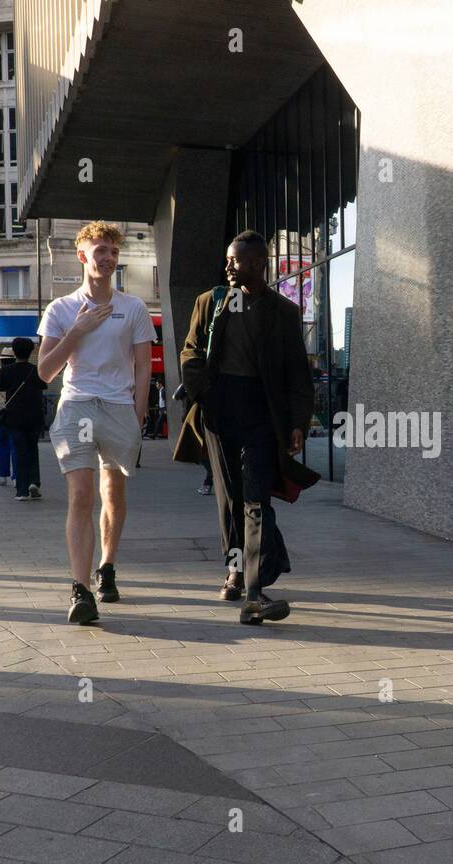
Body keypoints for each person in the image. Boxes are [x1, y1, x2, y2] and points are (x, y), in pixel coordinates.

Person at [175, 230, 318, 625]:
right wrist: (204, 393)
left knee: (256, 499)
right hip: (220, 411)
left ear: (259, 264)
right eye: (227, 260)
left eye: (235, 261)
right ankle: (235, 570)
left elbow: (296, 376)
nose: (228, 267)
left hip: (262, 413)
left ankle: (254, 591)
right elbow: (189, 351)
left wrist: (297, 424)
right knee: (229, 500)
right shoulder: (211, 302)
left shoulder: (284, 313)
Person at [37, 221, 155, 624]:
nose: (107, 258)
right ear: (82, 256)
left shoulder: (133, 307)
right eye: (100, 250)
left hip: (119, 408)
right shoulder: (61, 309)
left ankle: (107, 566)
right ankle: (80, 589)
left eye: (113, 252)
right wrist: (77, 330)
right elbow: (45, 372)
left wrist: (138, 417)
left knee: (113, 492)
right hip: (76, 407)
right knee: (80, 495)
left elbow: (143, 368)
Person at [0, 336, 47, 502]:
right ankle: (34, 482)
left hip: (15, 416)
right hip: (35, 415)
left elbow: (0, 387)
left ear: (14, 352)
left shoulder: (6, 370)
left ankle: (21, 490)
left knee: (20, 450)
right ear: (31, 352)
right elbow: (44, 385)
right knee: (33, 448)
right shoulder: (37, 369)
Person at [0, 346, 18, 487]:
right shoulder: (18, 375)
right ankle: (16, 476)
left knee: (1, 445)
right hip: (15, 413)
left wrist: (4, 405)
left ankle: (2, 475)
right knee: (15, 445)